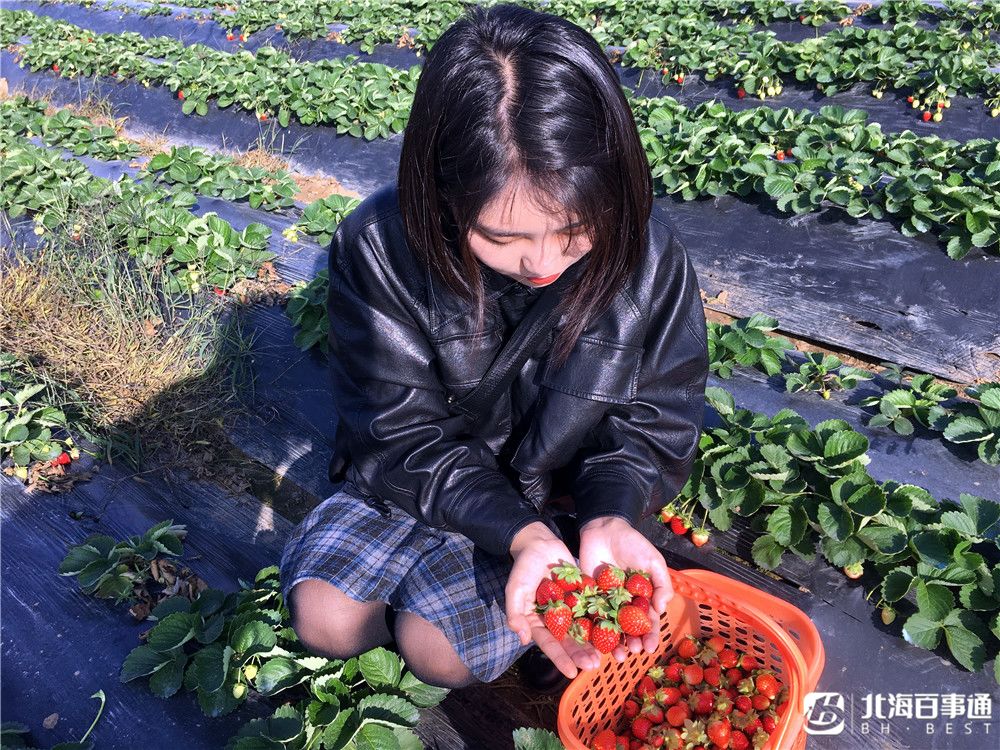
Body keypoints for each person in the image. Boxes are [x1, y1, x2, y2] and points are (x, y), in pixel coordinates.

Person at [279, 3, 709, 691]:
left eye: (572, 231)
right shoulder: (381, 246)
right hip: (421, 479)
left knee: (438, 655)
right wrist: (515, 536)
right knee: (325, 620)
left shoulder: (650, 258)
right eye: (502, 238)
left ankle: (449, 608)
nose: (542, 262)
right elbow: (399, 434)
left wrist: (606, 513)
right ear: (443, 194)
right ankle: (449, 593)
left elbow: (655, 420)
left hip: (552, 497)